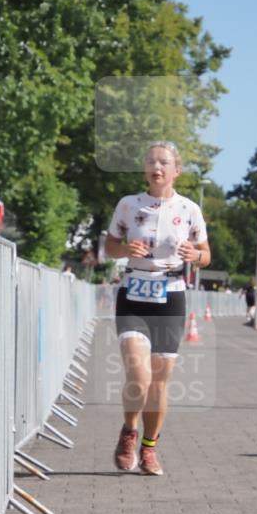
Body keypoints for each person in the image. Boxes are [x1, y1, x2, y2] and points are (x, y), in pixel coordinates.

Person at [104, 141, 210, 476]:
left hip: (171, 294)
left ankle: (149, 448)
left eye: (164, 162)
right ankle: (128, 431)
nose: (157, 166)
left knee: (159, 384)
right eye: (151, 161)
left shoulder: (190, 209)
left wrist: (196, 256)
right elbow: (109, 247)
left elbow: (206, 253)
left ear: (176, 170)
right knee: (138, 376)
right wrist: (124, 248)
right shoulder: (128, 205)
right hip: (134, 291)